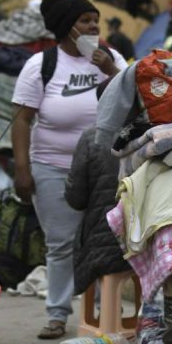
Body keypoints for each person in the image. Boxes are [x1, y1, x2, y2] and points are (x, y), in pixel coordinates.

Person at [11, 0, 127, 339]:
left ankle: (105, 312)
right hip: (52, 166)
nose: (93, 26)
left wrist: (110, 71)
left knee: (108, 241)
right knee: (60, 243)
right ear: (66, 28)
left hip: (106, 170)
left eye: (95, 20)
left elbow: (132, 104)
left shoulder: (112, 59)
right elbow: (21, 120)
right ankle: (58, 314)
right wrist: (22, 169)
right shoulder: (41, 65)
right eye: (85, 21)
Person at [64, 127, 131, 299]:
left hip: (102, 246)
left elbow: (76, 199)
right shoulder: (163, 131)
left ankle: (104, 315)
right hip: (149, 245)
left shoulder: (92, 137)